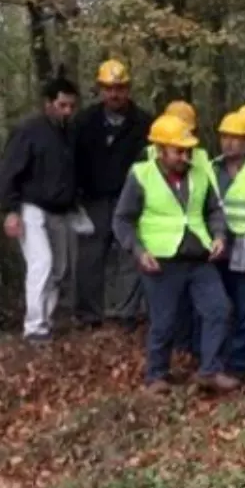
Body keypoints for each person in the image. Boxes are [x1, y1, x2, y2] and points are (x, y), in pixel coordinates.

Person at [112, 114, 234, 394]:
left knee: (219, 309)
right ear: (160, 149)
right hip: (160, 260)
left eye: (188, 150)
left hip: (198, 257)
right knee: (164, 321)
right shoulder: (141, 175)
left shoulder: (201, 174)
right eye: (178, 150)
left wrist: (218, 236)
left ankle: (210, 371)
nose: (185, 156)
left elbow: (214, 210)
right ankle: (156, 376)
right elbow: (122, 219)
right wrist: (138, 250)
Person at [0, 77, 80, 343]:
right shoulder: (28, 131)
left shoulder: (69, 134)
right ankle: (34, 326)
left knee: (59, 268)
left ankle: (47, 318)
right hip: (31, 207)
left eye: (71, 106)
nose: (67, 111)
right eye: (62, 105)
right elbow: (8, 171)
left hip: (60, 209)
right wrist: (10, 210)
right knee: (41, 262)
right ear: (48, 104)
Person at [73, 60, 153, 331]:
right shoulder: (84, 121)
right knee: (90, 256)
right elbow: (72, 160)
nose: (114, 94)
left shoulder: (143, 122)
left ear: (128, 89)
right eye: (108, 88)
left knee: (130, 254)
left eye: (119, 88)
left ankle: (127, 313)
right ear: (100, 89)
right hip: (94, 198)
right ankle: (89, 315)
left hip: (129, 198)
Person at [212, 112, 245, 379]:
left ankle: (239, 366)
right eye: (225, 137)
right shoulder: (211, 169)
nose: (229, 143)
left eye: (236, 137)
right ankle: (215, 360)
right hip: (217, 249)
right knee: (219, 309)